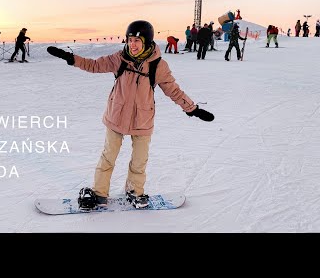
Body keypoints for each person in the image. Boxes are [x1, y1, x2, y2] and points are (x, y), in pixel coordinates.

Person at [46, 20, 214, 209]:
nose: (132, 45)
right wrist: (70, 58)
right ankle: (100, 193)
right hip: (116, 116)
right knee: (108, 156)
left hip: (142, 119)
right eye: (130, 40)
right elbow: (93, 65)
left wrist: (192, 108)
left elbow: (173, 91)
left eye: (137, 40)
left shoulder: (158, 66)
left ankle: (134, 191)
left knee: (139, 160)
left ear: (147, 42)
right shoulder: (119, 58)